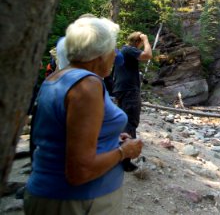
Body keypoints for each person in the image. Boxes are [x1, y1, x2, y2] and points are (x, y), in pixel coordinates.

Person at [24, 17, 143, 215]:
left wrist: (111, 137)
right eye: (112, 51)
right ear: (100, 55)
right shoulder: (87, 87)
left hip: (54, 194)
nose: (114, 57)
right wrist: (125, 151)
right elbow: (80, 171)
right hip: (77, 201)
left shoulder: (58, 76)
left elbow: (62, 133)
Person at [113, 31, 152, 139]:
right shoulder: (129, 50)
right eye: (140, 43)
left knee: (123, 120)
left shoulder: (123, 50)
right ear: (137, 42)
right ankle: (127, 152)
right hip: (129, 90)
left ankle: (120, 150)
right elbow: (148, 55)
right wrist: (146, 40)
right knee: (130, 121)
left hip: (121, 90)